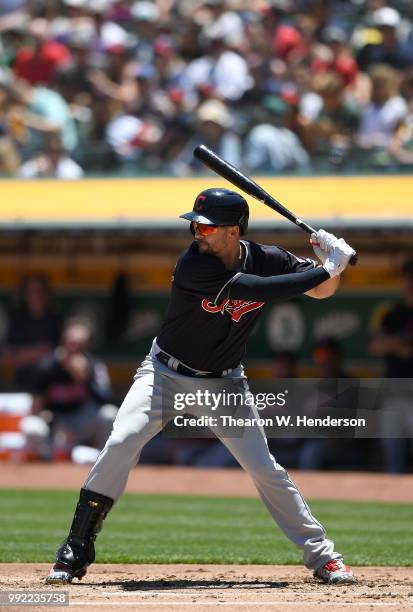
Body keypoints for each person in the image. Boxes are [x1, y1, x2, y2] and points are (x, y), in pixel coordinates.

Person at [45, 189, 356, 586]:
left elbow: (319, 290)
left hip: (224, 382)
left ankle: (323, 557)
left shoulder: (267, 258)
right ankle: (75, 549)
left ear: (233, 230)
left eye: (207, 226)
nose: (197, 232)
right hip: (164, 375)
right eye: (195, 224)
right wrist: (328, 266)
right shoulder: (194, 265)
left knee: (265, 469)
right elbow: (261, 291)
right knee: (121, 441)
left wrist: (332, 265)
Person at [22, 316, 116, 461]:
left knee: (109, 414)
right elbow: (36, 406)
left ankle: (102, 461)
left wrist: (86, 379)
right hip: (55, 422)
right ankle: (48, 462)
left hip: (81, 421)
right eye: (73, 343)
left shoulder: (94, 365)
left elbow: (106, 398)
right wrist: (52, 423)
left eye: (82, 344)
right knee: (30, 426)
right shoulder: (47, 366)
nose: (76, 348)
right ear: (64, 341)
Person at [369, 258, 413, 472]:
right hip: (394, 393)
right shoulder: (393, 313)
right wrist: (398, 342)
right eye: (408, 279)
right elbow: (376, 346)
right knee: (392, 458)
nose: (410, 283)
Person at [2, 273, 61, 392]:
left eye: (39, 291)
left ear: (46, 293)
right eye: (30, 292)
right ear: (24, 295)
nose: (35, 296)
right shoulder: (18, 322)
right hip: (21, 387)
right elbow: (5, 358)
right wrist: (36, 352)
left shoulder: (56, 321)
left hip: (51, 391)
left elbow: (54, 354)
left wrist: (20, 355)